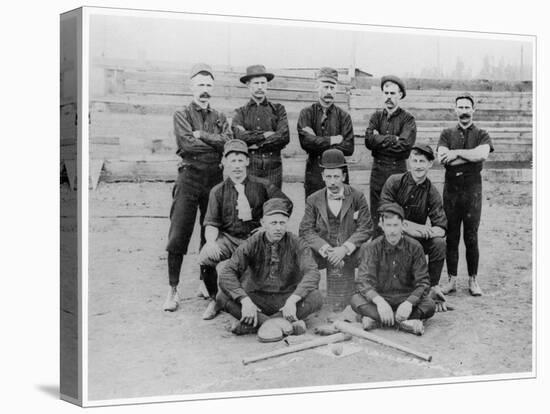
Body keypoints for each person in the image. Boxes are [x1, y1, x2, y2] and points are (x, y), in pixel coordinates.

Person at [163, 63, 231, 312]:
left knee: (209, 232)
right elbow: (187, 145)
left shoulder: (220, 117)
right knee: (179, 232)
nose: (204, 90)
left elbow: (227, 143)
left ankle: (205, 282)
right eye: (200, 85)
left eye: (208, 85)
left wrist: (202, 135)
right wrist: (212, 143)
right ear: (191, 87)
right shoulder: (181, 114)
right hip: (189, 176)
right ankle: (173, 289)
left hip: (214, 177)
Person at [198, 139, 292, 319]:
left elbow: (286, 204)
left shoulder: (262, 185)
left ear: (248, 162)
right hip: (230, 239)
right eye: (232, 161)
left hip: (256, 239)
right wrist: (210, 242)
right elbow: (211, 223)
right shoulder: (217, 191)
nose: (237, 166)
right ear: (225, 163)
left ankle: (264, 302)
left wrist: (267, 227)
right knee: (206, 256)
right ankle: (214, 299)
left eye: (241, 160)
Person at [215, 198, 323, 339]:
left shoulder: (298, 243)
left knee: (316, 297)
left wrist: (293, 300)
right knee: (221, 297)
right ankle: (283, 324)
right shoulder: (252, 243)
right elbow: (227, 273)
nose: (278, 228)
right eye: (273, 223)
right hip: (257, 298)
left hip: (286, 299)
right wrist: (245, 301)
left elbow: (312, 272)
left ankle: (255, 324)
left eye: (282, 223)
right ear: (263, 223)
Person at [379, 144, 449, 311]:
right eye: (415, 160)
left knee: (439, 243)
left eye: (422, 161)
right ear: (409, 162)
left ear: (430, 164)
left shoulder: (432, 191)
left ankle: (432, 287)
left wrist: (424, 231)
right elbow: (385, 213)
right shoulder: (394, 181)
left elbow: (441, 227)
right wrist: (412, 226)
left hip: (415, 242)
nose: (418, 165)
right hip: (391, 236)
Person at [437, 92, 494, 296]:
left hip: (473, 190)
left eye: (467, 107)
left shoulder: (482, 134)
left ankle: (473, 280)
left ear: (473, 110)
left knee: (471, 236)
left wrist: (457, 153)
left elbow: (483, 154)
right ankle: (451, 280)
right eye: (460, 107)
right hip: (451, 190)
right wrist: (471, 157)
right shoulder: (446, 133)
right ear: (455, 110)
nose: (463, 111)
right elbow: (443, 158)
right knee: (451, 235)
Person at [350, 203, 436, 335]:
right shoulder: (372, 248)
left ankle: (376, 320)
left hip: (405, 297)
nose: (392, 231)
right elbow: (363, 281)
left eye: (396, 225)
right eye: (388, 225)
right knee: (356, 300)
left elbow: (423, 282)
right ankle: (404, 323)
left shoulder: (415, 247)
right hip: (381, 298)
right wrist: (379, 302)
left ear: (403, 225)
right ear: (382, 226)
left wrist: (409, 303)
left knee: (429, 305)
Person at [299, 148, 373, 275]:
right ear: (322, 176)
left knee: (370, 250)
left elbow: (366, 227)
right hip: (323, 253)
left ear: (343, 176)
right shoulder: (313, 199)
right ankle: (310, 291)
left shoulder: (357, 196)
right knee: (303, 252)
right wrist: (326, 249)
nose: (332, 182)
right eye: (328, 176)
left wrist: (345, 248)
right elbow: (305, 230)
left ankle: (365, 290)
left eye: (336, 176)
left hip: (350, 251)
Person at [365, 75, 417, 232]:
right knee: (377, 217)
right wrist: (392, 138)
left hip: (398, 173)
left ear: (400, 95)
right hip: (377, 172)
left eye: (392, 93)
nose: (388, 97)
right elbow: (368, 141)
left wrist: (378, 139)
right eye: (386, 93)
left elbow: (404, 145)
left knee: (397, 216)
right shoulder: (375, 117)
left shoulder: (408, 119)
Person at [297, 67, 355, 197]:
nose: (329, 91)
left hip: (338, 175)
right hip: (314, 174)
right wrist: (333, 140)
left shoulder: (344, 116)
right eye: (325, 87)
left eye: (332, 87)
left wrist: (316, 140)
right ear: (317, 87)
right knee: (314, 212)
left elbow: (349, 147)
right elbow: (306, 143)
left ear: (337, 89)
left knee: (338, 213)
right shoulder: (307, 113)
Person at [231, 65, 289, 189]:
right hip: (250, 166)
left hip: (273, 166)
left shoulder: (278, 109)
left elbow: (283, 136)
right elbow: (239, 136)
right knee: (252, 203)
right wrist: (264, 135)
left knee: (273, 203)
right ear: (248, 85)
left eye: (263, 83)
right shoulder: (240, 112)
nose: (260, 87)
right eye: (256, 83)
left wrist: (256, 144)